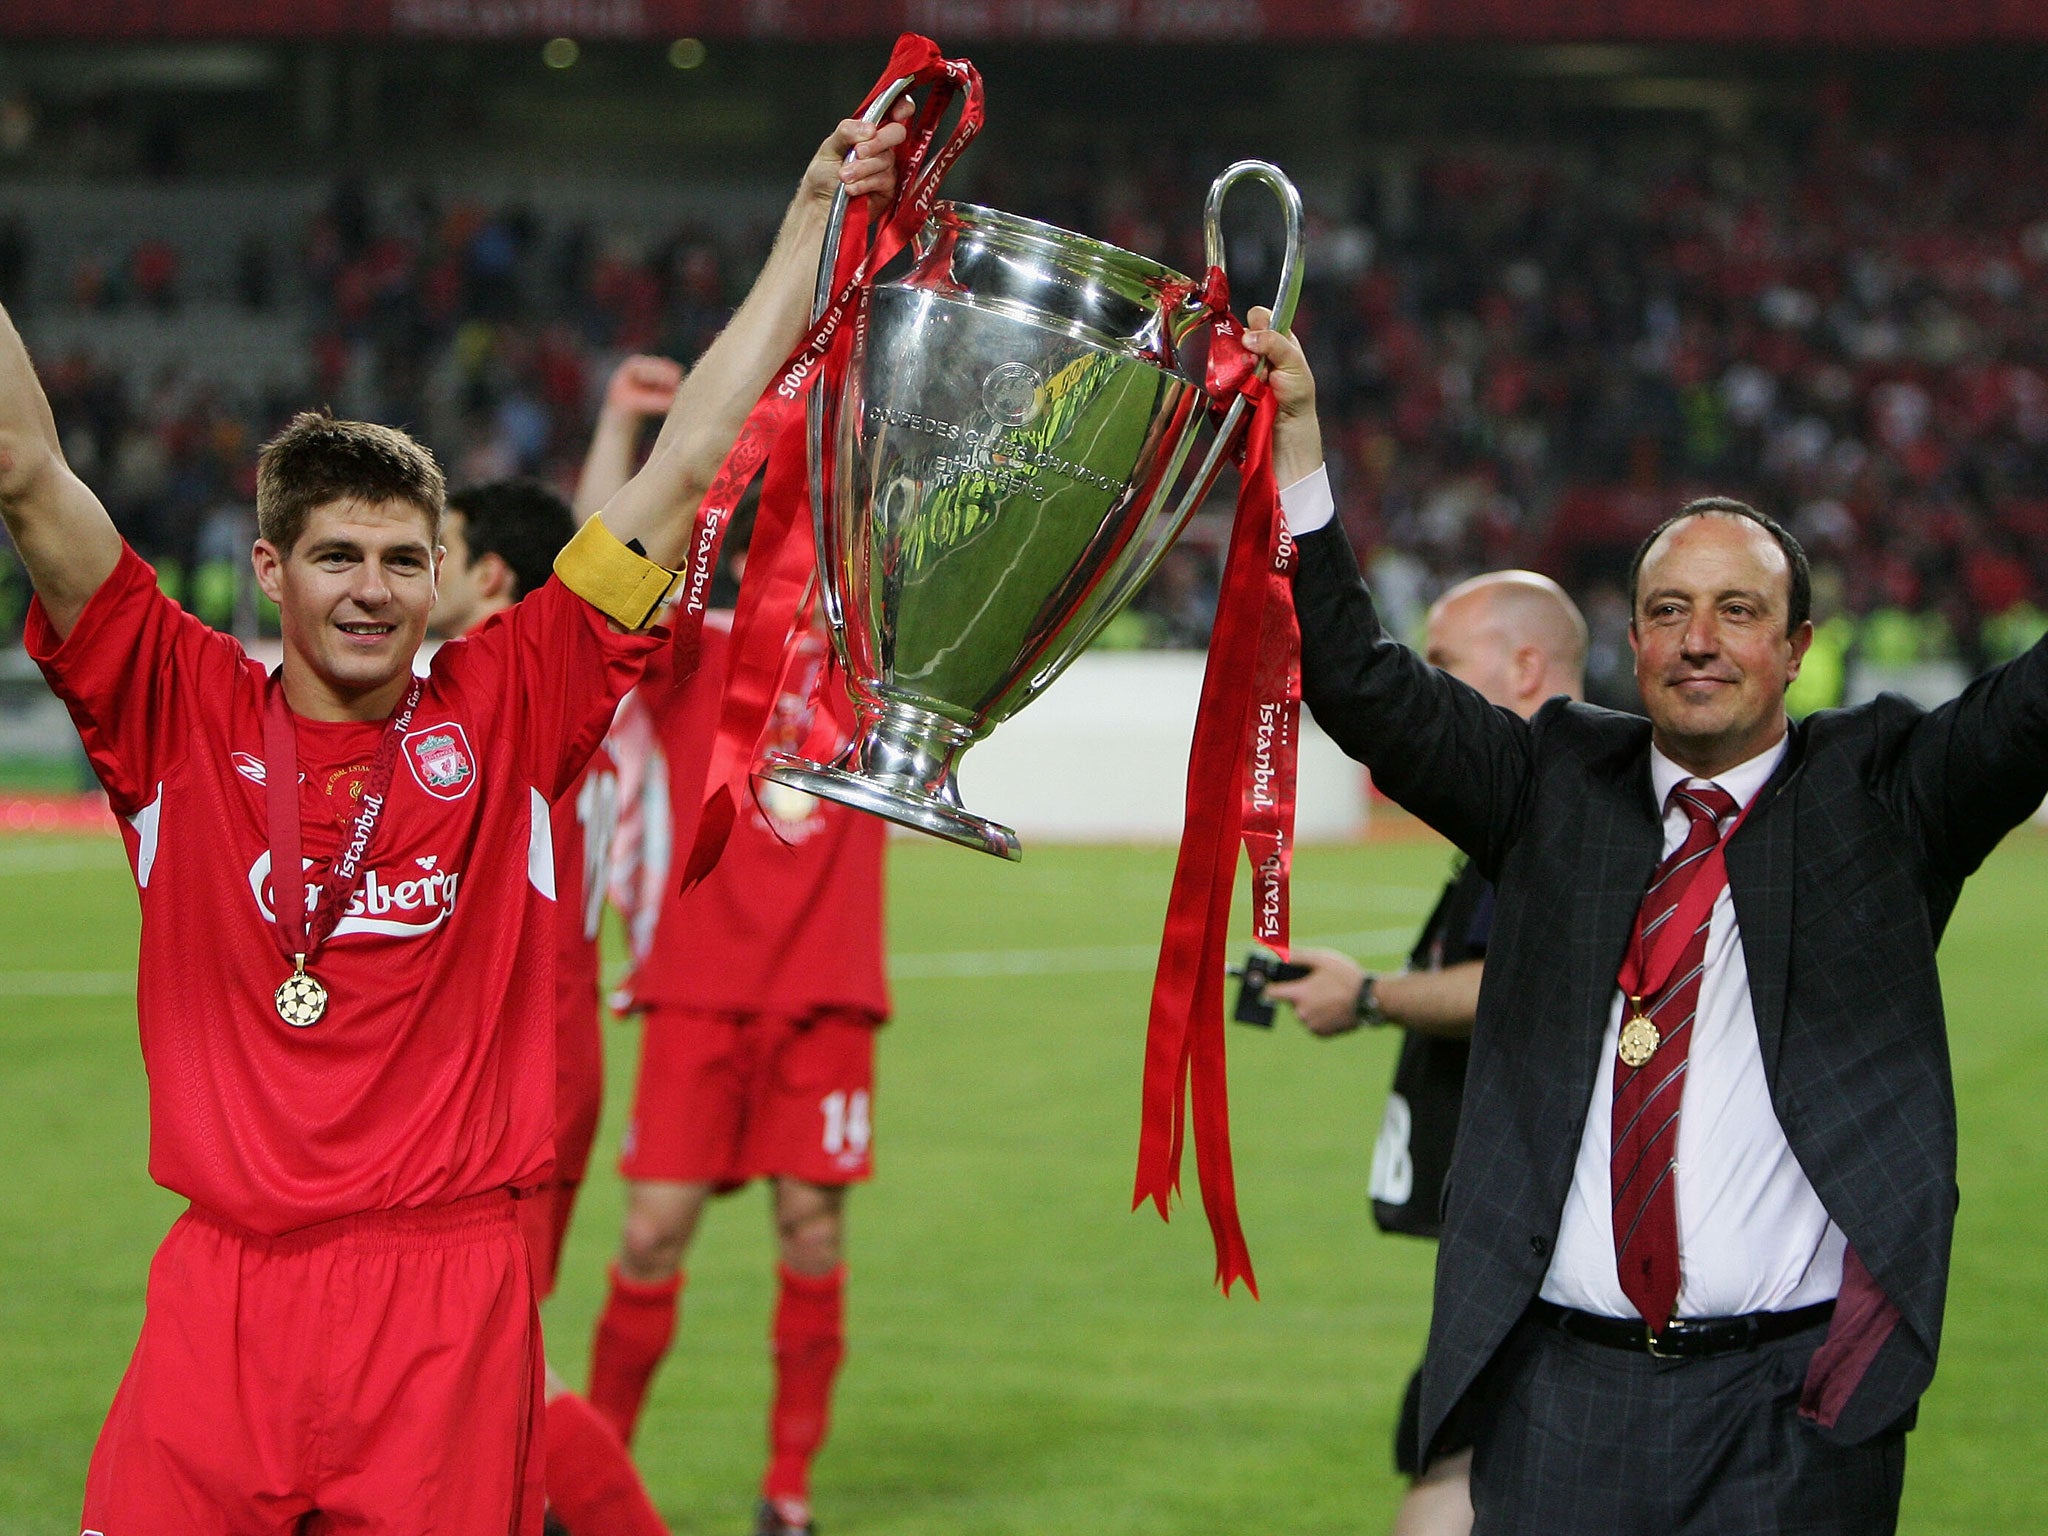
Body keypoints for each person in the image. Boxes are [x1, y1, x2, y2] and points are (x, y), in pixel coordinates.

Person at [3, 110, 906, 1534]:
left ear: (443, 579)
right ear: (268, 571)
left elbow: (686, 470)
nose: (370, 588)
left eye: (402, 560)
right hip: (223, 1293)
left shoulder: (513, 700)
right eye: (336, 556)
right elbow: (25, 467)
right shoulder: (174, 705)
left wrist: (810, 223)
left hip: (443, 1299)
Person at [1239, 306, 2048, 1535]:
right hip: (1560, 1394)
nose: (1698, 641)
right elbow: (1357, 680)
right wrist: (1295, 441)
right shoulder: (1550, 783)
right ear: (1628, 646)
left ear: (1794, 650)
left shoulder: (1882, 797)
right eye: (1667, 612)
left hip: (1795, 1408)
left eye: (1735, 612)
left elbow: (2029, 711)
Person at [577, 378, 888, 1536]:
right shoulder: (691, 658)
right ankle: (592, 1485)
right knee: (651, 1233)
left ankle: (788, 1498)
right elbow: (602, 574)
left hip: (824, 991)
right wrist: (621, 433)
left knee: (811, 1228)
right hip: (696, 990)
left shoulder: (884, 670)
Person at [1269, 570, 1587, 1536]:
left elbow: (1518, 981)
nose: (1431, 689)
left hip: (1549, 1232)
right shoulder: (1555, 788)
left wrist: (1367, 997)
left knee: (1458, 1462)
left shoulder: (1555, 798)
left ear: (1525, 665)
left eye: (1446, 664)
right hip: (1538, 1225)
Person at [428, 476, 667, 1536]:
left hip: (515, 1068)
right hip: (523, 1054)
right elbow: (584, 550)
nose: (407, 565)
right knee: (464, 1360)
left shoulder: (515, 683)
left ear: (486, 575)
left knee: (485, 1354)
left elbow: (612, 546)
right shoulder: (515, 671)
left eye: (427, 546)